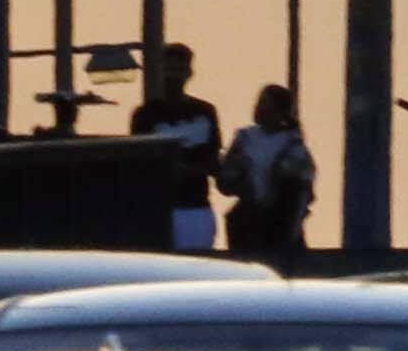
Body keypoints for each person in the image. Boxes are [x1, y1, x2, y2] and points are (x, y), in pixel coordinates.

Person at [129, 43, 222, 253]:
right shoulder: (145, 115)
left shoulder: (205, 112)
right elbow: (139, 162)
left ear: (189, 73)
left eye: (179, 70)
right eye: (169, 69)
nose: (174, 76)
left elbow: (213, 159)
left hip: (196, 207)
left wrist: (188, 170)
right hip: (158, 208)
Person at [218, 83, 319, 265]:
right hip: (249, 217)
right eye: (259, 102)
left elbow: (304, 188)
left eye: (265, 103)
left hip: (280, 219)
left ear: (280, 111)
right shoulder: (245, 138)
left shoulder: (292, 144)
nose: (258, 108)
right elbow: (226, 179)